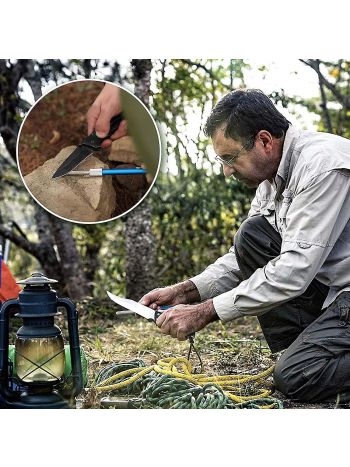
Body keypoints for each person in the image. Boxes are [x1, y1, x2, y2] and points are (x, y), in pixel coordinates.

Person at [141, 89, 350, 403]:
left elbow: (293, 270)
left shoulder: (322, 165)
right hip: (331, 290)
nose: (226, 171)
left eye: (230, 158)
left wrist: (205, 312)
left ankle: (306, 359)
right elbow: (240, 259)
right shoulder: (272, 181)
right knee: (253, 235)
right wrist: (186, 291)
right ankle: (304, 349)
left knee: (295, 377)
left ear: (265, 141)